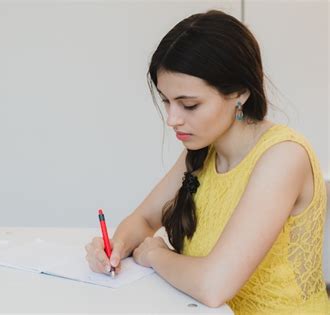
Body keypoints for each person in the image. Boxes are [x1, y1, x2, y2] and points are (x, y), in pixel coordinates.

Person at [84, 10, 328, 314]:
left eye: (189, 104)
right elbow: (144, 221)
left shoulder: (283, 156)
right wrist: (114, 249)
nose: (172, 119)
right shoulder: (200, 152)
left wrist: (155, 254)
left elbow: (215, 286)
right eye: (166, 101)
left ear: (239, 94)